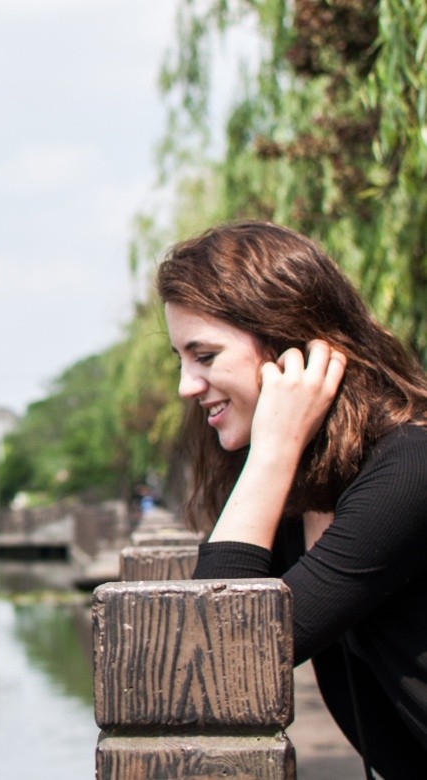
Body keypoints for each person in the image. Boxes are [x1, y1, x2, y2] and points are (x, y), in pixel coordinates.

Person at [159, 221, 427, 779]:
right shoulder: (309, 494)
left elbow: (226, 658)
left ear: (286, 346)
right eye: (182, 361)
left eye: (204, 356)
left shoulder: (410, 469)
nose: (187, 385)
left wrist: (273, 451)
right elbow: (204, 655)